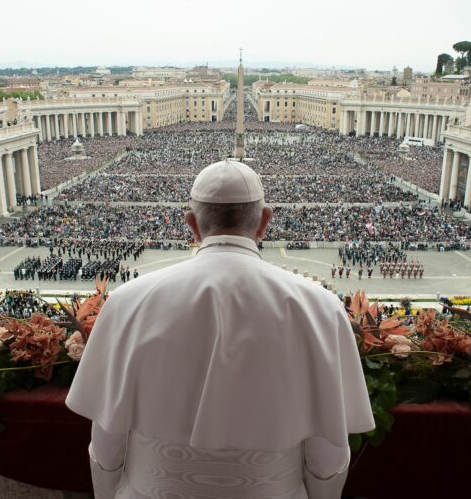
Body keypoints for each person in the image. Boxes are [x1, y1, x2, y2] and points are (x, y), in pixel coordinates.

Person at [67, 159, 375, 499]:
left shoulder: (127, 301)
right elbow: (327, 452)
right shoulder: (321, 307)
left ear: (192, 225)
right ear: (264, 222)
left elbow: (107, 443)